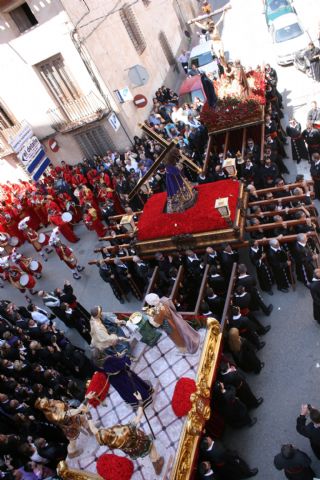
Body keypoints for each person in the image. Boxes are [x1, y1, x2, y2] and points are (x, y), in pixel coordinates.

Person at [86, 391, 164, 475]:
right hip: (141, 443)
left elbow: (93, 429)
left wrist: (87, 411)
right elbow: (139, 415)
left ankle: (155, 462)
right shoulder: (126, 430)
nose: (103, 429)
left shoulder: (108, 441)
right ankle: (156, 463)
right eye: (104, 430)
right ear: (108, 432)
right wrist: (140, 400)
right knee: (151, 448)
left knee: (148, 450)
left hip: (131, 450)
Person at [164, 146, 197, 213]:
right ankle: (181, 203)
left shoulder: (172, 160)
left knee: (185, 188)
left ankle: (188, 197)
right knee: (179, 193)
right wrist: (180, 164)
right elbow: (176, 171)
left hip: (179, 178)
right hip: (175, 181)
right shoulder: (168, 164)